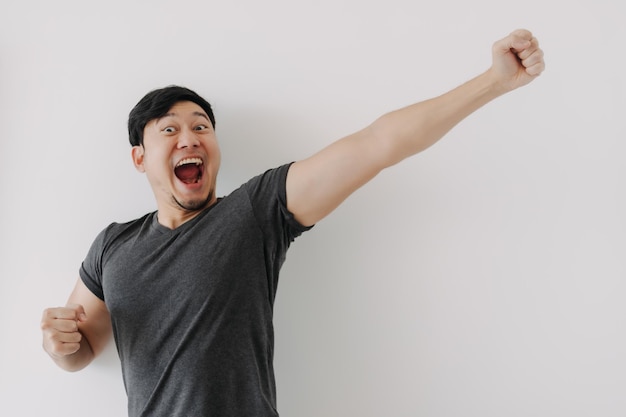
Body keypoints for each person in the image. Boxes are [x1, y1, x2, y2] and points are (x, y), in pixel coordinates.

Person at [41, 29, 545, 417]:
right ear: (139, 158)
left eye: (201, 126)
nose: (190, 138)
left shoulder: (253, 213)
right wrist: (59, 347)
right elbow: (82, 346)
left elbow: (377, 143)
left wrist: (495, 81)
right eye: (169, 129)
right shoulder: (113, 244)